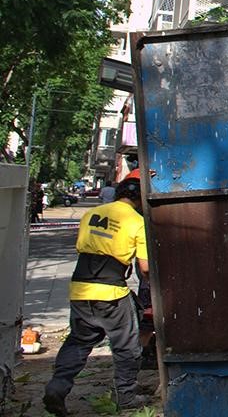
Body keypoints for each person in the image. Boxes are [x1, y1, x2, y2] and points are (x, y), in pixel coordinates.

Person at [43, 173, 150, 416]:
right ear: (140, 199)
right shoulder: (137, 221)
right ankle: (127, 397)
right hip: (111, 293)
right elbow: (144, 269)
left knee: (78, 343)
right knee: (127, 347)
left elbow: (85, 247)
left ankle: (56, 388)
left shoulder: (91, 214)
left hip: (80, 289)